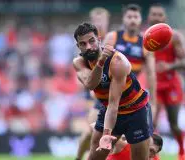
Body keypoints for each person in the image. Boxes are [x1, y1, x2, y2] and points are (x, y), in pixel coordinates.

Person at [73, 23, 153, 160]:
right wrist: (100, 63)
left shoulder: (117, 61)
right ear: (78, 46)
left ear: (99, 39)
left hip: (135, 111)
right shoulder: (79, 62)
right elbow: (91, 84)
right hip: (109, 110)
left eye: (91, 41)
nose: (88, 47)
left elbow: (113, 104)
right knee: (95, 157)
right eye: (83, 44)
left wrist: (106, 133)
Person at [147, 3, 185, 160]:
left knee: (173, 124)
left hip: (171, 85)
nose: (156, 17)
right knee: (151, 123)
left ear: (165, 18)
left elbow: (184, 63)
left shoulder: (174, 37)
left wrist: (169, 65)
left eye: (159, 14)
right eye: (154, 14)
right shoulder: (144, 37)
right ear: (149, 17)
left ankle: (182, 150)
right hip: (154, 85)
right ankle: (153, 156)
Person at [103, 3, 157, 121]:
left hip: (130, 93)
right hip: (109, 91)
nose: (132, 20)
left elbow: (151, 73)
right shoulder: (113, 37)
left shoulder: (146, 42)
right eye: (129, 17)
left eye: (135, 17)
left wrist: (153, 101)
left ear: (140, 19)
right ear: (124, 19)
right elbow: (101, 64)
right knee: (94, 132)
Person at [75, 7, 111, 160]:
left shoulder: (114, 39)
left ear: (107, 21)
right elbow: (83, 73)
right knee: (90, 133)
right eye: (95, 20)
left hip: (117, 94)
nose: (99, 23)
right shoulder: (86, 45)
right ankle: (78, 157)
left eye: (101, 20)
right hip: (97, 97)